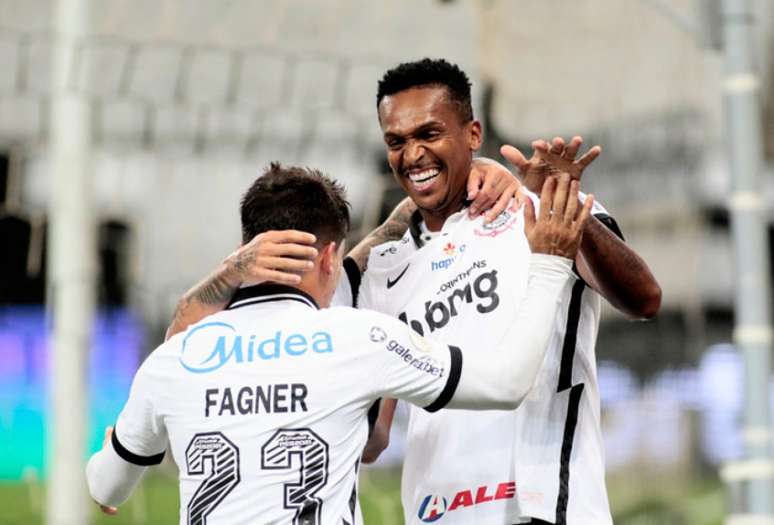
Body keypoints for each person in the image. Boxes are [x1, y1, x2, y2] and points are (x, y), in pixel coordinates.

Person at [166, 58, 662, 524]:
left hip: (543, 505)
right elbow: (187, 346)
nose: (413, 154)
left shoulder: (538, 216)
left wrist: (570, 208)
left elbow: (644, 299)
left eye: (429, 133)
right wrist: (234, 270)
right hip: (433, 510)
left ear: (473, 134)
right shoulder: (381, 270)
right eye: (396, 140)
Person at [86, 162, 594, 524]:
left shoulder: (172, 361)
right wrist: (549, 261)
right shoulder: (360, 338)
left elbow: (105, 488)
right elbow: (505, 384)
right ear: (331, 258)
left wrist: (117, 448)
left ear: (245, 249)